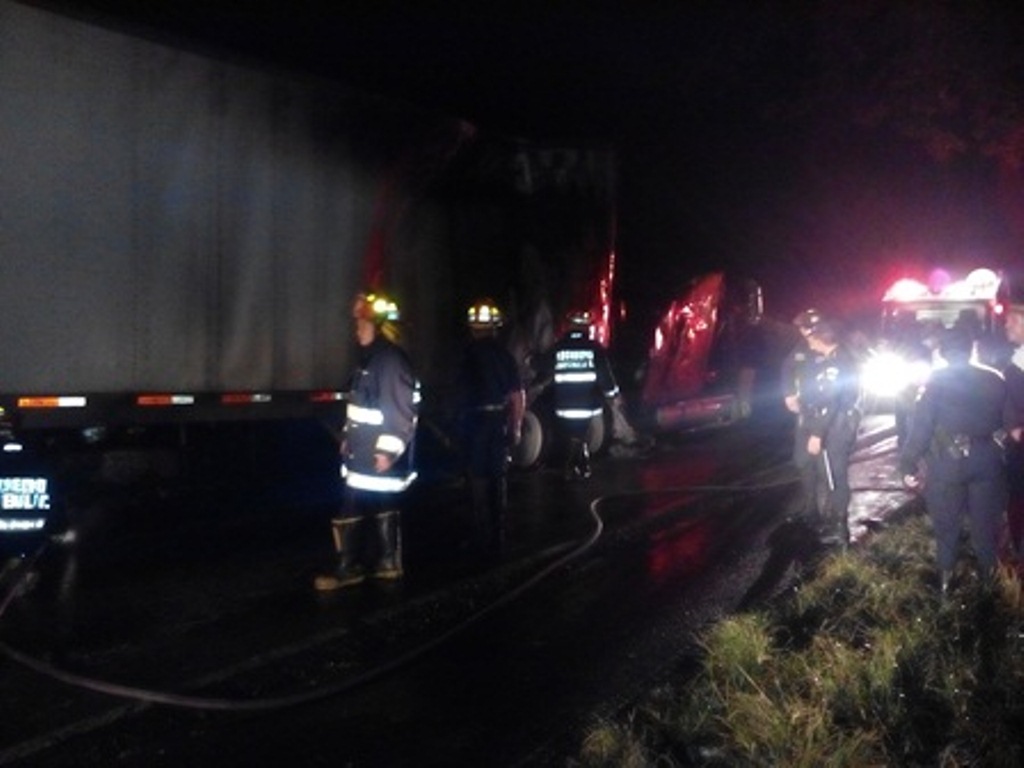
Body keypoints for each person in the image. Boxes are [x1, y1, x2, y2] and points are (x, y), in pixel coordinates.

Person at [314, 292, 420, 591]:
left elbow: (400, 410)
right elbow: (361, 407)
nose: (356, 328)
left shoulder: (388, 361)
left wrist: (387, 451)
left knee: (353, 506)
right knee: (375, 504)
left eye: (362, 323)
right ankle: (385, 563)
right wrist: (347, 438)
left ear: (377, 326)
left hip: (374, 456)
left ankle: (350, 568)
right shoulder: (373, 360)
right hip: (362, 453)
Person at [899, 328, 1007, 594]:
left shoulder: (934, 382)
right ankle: (988, 587)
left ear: (943, 353)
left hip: (947, 464)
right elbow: (1007, 420)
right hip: (987, 459)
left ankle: (946, 587)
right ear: (971, 348)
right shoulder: (995, 379)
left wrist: (908, 463)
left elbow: (921, 428)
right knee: (985, 527)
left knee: (947, 527)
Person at [455, 299, 525, 561]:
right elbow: (517, 396)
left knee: (476, 480)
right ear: (496, 327)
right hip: (497, 423)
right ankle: (497, 538)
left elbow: (457, 392)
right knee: (497, 478)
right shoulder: (504, 355)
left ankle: (479, 538)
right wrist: (515, 428)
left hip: (472, 423)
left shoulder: (465, 354)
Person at [801, 318, 861, 546]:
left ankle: (841, 530)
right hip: (836, 423)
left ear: (820, 339)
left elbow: (832, 401)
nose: (809, 342)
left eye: (811, 338)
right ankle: (839, 525)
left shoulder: (838, 363)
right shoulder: (835, 359)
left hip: (836, 425)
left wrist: (817, 433)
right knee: (833, 476)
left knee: (836, 477)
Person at [550, 310, 620, 480]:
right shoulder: (594, 348)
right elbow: (605, 376)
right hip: (586, 405)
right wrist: (613, 394)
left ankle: (575, 465)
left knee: (572, 434)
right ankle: (578, 464)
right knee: (580, 435)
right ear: (586, 327)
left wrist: (531, 360)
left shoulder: (558, 347)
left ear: (569, 326)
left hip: (563, 406)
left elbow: (542, 365)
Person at [779, 308, 824, 528]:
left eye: (805, 327)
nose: (803, 332)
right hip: (806, 412)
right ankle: (811, 508)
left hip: (827, 415)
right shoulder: (802, 347)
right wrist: (789, 394)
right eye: (801, 328)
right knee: (803, 461)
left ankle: (836, 517)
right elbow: (787, 368)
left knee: (828, 466)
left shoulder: (831, 347)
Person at [1000, 281, 1024, 561]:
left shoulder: (1017, 368)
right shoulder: (1014, 363)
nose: (1006, 327)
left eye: (1010, 322)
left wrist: (1015, 429)